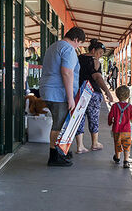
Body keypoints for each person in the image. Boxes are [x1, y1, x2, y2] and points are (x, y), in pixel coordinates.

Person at [39, 27, 86, 166]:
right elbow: (67, 73)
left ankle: (59, 152)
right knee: (58, 125)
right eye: (79, 44)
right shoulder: (68, 49)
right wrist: (71, 97)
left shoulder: (54, 46)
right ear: (76, 39)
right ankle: (54, 156)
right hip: (58, 93)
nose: (78, 47)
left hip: (49, 90)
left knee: (59, 123)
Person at [74, 39, 113, 153]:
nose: (100, 55)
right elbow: (97, 77)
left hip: (79, 92)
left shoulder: (79, 58)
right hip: (92, 93)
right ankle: (94, 143)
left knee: (79, 118)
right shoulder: (94, 61)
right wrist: (107, 91)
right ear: (93, 50)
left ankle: (80, 146)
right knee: (93, 117)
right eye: (100, 52)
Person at [108, 85, 132, 168]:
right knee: (126, 145)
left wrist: (110, 123)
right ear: (128, 96)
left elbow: (110, 116)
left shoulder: (114, 106)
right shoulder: (129, 106)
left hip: (116, 129)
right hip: (126, 130)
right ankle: (126, 161)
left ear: (117, 95)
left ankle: (117, 158)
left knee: (117, 144)